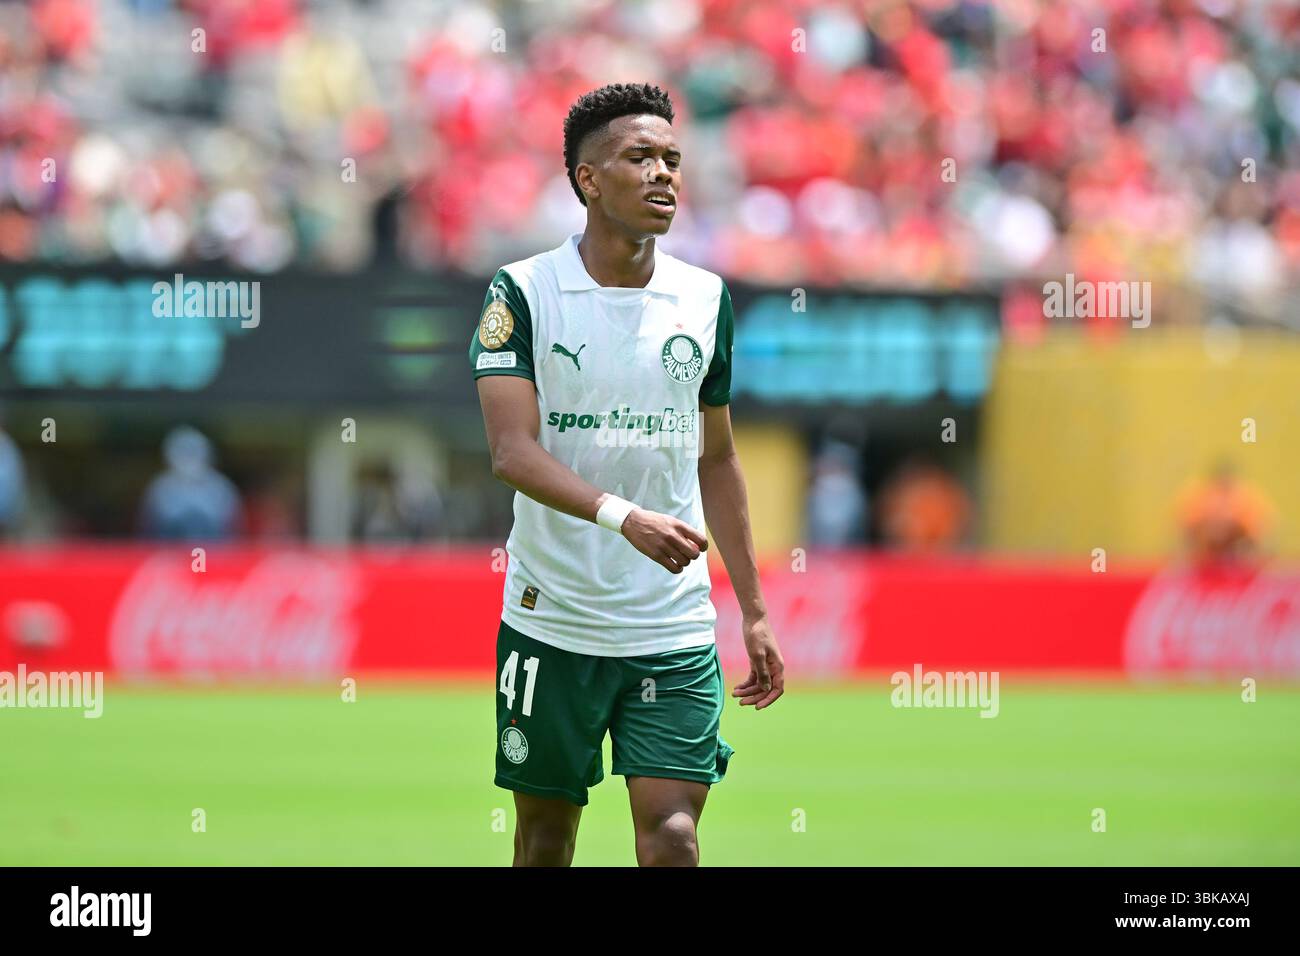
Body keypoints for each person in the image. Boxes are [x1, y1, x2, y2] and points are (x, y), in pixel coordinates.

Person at [469, 83, 784, 867]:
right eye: (640, 157)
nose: (663, 174)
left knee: (673, 838)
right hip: (553, 621)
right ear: (587, 179)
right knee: (545, 840)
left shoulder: (704, 298)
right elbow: (512, 452)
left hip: (670, 627)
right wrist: (624, 516)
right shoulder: (524, 292)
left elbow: (717, 456)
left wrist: (751, 609)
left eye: (673, 159)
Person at [138, 426, 242, 541]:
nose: (188, 459)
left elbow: (233, 531)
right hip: (170, 554)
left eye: (193, 453)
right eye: (182, 453)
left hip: (212, 554)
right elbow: (148, 532)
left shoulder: (221, 488)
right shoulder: (160, 489)